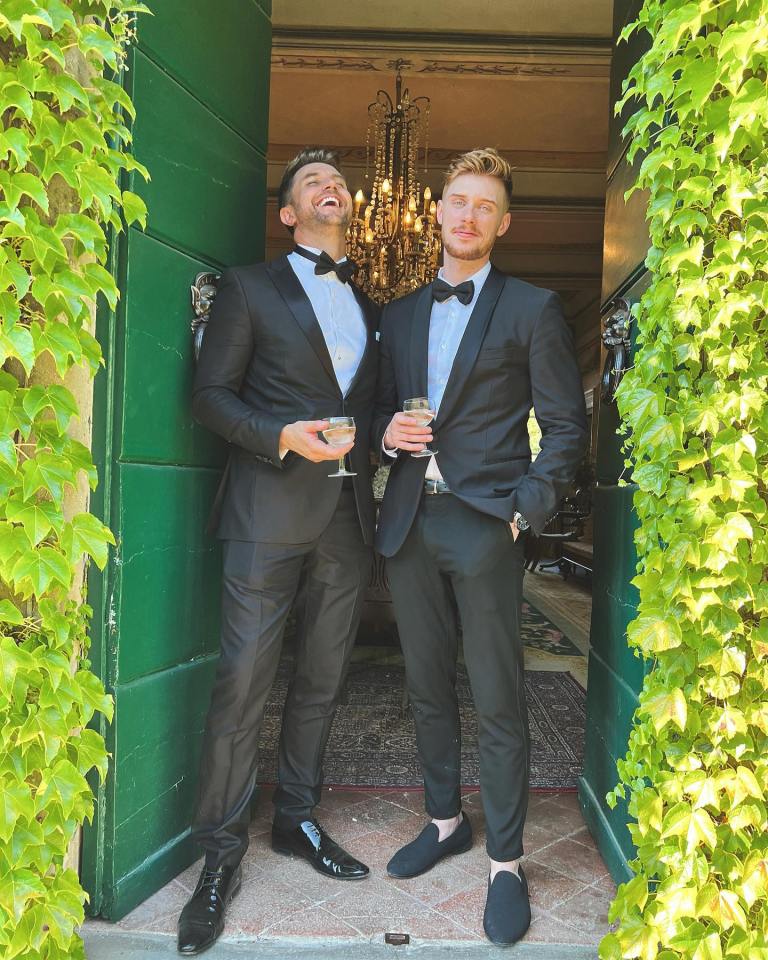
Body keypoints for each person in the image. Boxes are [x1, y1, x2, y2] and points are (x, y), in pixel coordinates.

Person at [372, 147, 588, 945]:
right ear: (436, 209)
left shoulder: (532, 308)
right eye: (457, 200)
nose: (467, 214)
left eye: (483, 205)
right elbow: (372, 415)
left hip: (484, 523)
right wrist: (384, 434)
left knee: (497, 695)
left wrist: (520, 513)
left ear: (503, 223)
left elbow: (565, 428)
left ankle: (505, 861)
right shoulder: (396, 314)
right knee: (426, 686)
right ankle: (442, 822)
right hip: (407, 522)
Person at [178, 148, 378, 955]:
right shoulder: (249, 287)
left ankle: (296, 818)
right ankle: (218, 860)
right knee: (242, 688)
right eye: (311, 184)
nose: (332, 189)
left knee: (323, 682)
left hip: (347, 519)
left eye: (339, 182)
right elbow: (210, 398)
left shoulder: (367, 300)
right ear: (289, 214)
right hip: (264, 511)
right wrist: (280, 437)